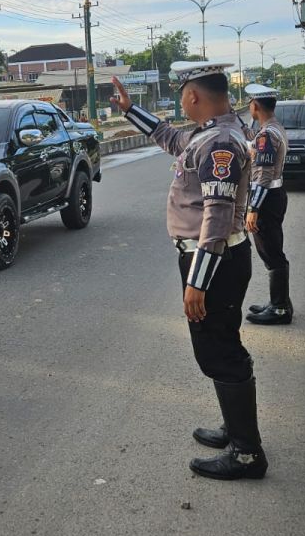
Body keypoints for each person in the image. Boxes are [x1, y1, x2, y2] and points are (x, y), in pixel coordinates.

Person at [111, 61, 267, 481]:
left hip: (213, 261)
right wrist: (130, 109)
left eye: (183, 93)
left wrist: (197, 282)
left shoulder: (219, 143)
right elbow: (172, 139)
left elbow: (216, 218)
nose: (181, 100)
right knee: (220, 346)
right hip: (216, 259)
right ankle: (235, 430)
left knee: (219, 352)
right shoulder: (213, 132)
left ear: (193, 96)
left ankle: (247, 453)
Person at [241, 83, 292, 326]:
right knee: (274, 250)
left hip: (267, 199)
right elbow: (254, 142)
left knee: (271, 253)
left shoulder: (267, 135)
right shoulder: (273, 129)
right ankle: (279, 301)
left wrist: (253, 209)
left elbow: (262, 174)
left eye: (250, 103)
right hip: (275, 195)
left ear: (255, 105)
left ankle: (280, 308)